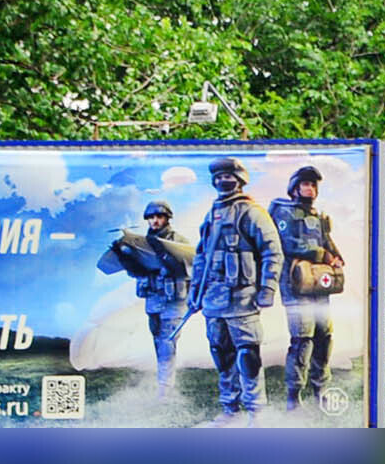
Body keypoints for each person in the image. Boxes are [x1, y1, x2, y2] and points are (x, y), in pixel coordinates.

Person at [188, 156, 281, 422]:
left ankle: (256, 411)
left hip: (243, 299)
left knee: (248, 354)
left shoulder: (252, 212)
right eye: (218, 178)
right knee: (221, 354)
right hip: (213, 299)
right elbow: (201, 257)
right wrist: (195, 292)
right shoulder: (212, 214)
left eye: (227, 177)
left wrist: (267, 289)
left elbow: (272, 252)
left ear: (240, 180)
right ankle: (230, 409)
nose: (222, 181)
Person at [267, 164, 348, 412]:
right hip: (295, 282)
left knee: (324, 336)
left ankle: (320, 389)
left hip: (318, 283)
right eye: (305, 184)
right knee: (303, 338)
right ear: (294, 187)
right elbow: (288, 243)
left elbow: (326, 240)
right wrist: (323, 254)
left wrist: (336, 256)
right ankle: (294, 396)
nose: (310, 188)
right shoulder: (284, 212)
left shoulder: (319, 216)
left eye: (313, 184)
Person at [95, 200, 195, 394]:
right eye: (151, 217)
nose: (155, 221)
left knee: (167, 342)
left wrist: (163, 252)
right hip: (153, 299)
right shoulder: (142, 242)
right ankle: (164, 383)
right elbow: (137, 272)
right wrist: (124, 256)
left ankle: (165, 389)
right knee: (158, 340)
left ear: (167, 218)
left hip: (174, 300)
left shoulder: (179, 241)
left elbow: (187, 268)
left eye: (159, 217)